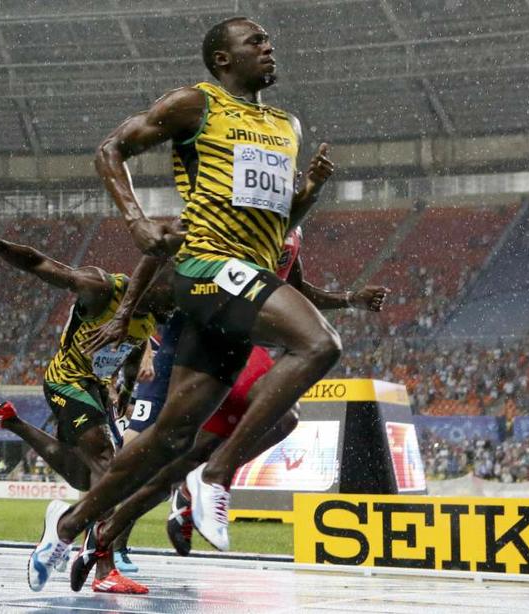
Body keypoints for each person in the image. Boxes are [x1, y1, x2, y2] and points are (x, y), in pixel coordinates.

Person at [28, 16, 340, 591]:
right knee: (319, 343)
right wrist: (136, 219)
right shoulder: (195, 104)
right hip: (205, 266)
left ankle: (66, 525)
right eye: (256, 41)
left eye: (270, 39)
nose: (269, 46)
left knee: (170, 439)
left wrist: (308, 196)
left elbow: (277, 227)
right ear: (223, 59)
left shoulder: (286, 125)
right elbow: (111, 148)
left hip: (243, 274)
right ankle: (216, 475)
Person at [68, 227, 390, 589]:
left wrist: (349, 298)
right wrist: (125, 315)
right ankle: (79, 532)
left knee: (190, 457)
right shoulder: (228, 213)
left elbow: (296, 289)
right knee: (148, 451)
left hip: (234, 339)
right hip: (194, 333)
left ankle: (105, 536)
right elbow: (159, 250)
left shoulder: (289, 227)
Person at [0, 211, 172, 594]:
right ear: (147, 284)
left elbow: (134, 350)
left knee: (83, 476)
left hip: (98, 388)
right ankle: (103, 567)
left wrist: (127, 388)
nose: (171, 307)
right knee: (108, 464)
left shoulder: (154, 312)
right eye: (169, 293)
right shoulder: (101, 287)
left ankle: (12, 422)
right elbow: (38, 262)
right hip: (67, 380)